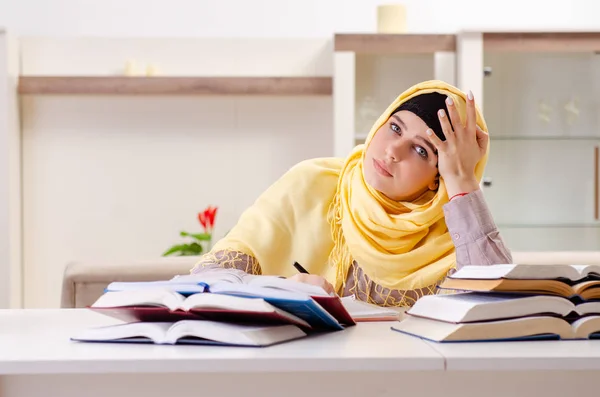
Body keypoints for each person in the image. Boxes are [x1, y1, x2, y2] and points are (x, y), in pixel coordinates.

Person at [189, 80, 512, 307]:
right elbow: (207, 280)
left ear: (437, 177)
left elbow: (497, 307)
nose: (393, 151)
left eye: (421, 150)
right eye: (395, 128)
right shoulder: (312, 184)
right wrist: (277, 289)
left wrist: (462, 181)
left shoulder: (454, 229)